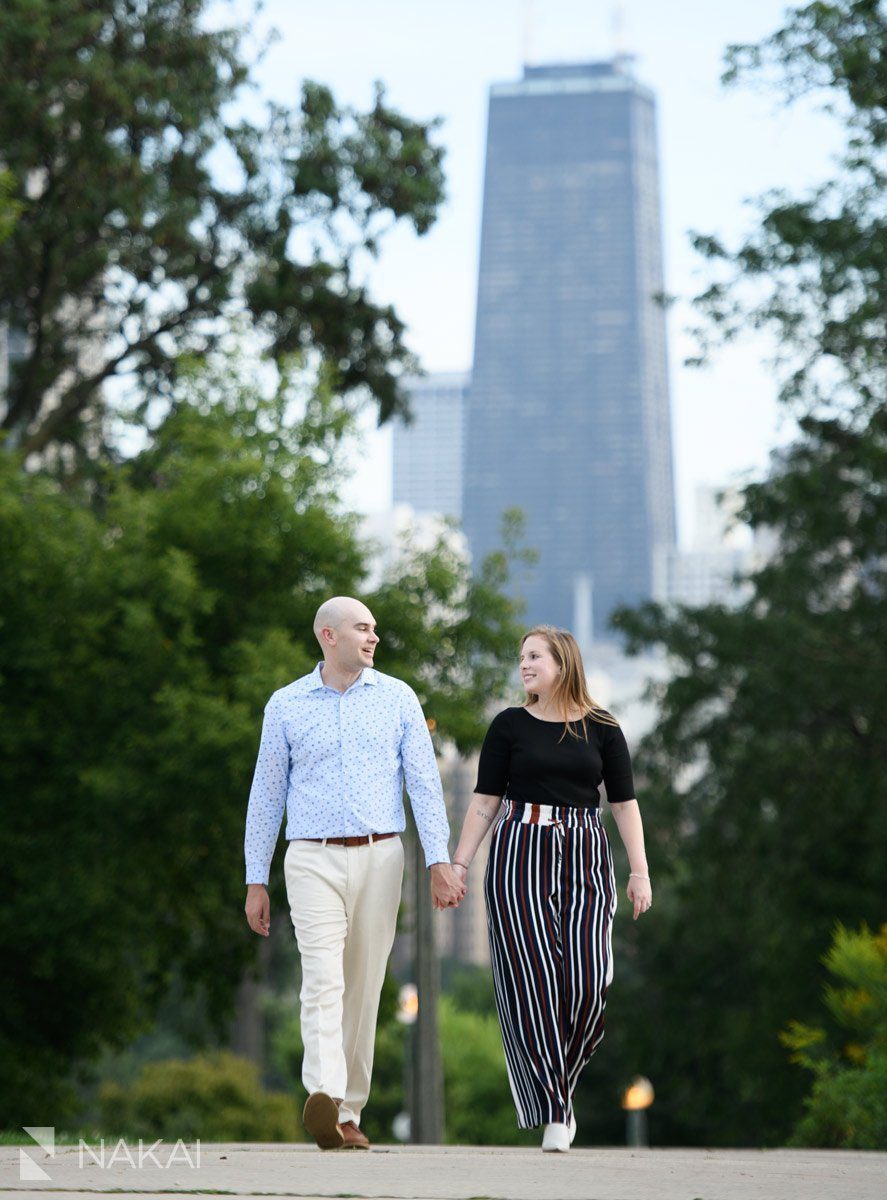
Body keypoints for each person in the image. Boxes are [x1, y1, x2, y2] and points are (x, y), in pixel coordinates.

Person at [244, 596, 465, 1151]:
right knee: (322, 978)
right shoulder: (286, 705)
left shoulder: (398, 699)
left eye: (374, 630)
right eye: (361, 629)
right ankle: (323, 1094)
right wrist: (255, 878)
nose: (373, 638)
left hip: (381, 856)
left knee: (364, 985)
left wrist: (439, 860)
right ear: (328, 636)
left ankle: (348, 1112)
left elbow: (423, 784)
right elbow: (266, 795)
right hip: (310, 857)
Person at [451, 625, 652, 1153]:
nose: (525, 664)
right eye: (521, 657)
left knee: (589, 982)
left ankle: (558, 1083)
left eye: (535, 656)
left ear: (563, 662)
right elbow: (483, 802)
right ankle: (558, 1108)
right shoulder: (509, 726)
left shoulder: (604, 728)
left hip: (586, 852)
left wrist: (640, 871)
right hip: (519, 851)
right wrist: (460, 864)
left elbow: (624, 804)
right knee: (535, 982)